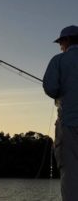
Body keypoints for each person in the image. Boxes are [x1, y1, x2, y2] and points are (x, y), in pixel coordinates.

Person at [43, 25, 78, 201]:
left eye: (61, 42)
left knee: (71, 176)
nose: (60, 46)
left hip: (69, 126)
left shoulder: (59, 60)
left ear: (68, 40)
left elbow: (50, 88)